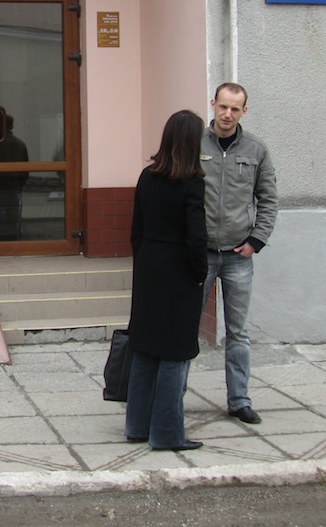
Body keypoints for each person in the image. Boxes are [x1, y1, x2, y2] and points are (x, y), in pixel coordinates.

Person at [125, 109, 208, 451]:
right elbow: (196, 237)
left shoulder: (147, 176)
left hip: (148, 268)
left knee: (145, 348)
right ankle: (168, 434)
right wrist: (199, 274)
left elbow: (136, 229)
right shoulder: (191, 183)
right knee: (175, 353)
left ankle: (137, 426)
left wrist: (144, 262)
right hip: (178, 273)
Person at [200, 82, 278, 425]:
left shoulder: (256, 149)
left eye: (235, 109)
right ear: (213, 104)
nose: (228, 114)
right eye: (223, 107)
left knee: (238, 332)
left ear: (244, 111)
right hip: (199, 255)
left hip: (237, 255)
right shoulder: (194, 145)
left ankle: (239, 400)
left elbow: (269, 199)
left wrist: (256, 240)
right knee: (185, 330)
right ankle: (174, 395)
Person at [0, 114, 29, 240]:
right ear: (12, 125)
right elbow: (25, 171)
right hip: (12, 189)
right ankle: (12, 244)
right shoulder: (20, 144)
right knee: (12, 222)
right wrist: (19, 186)